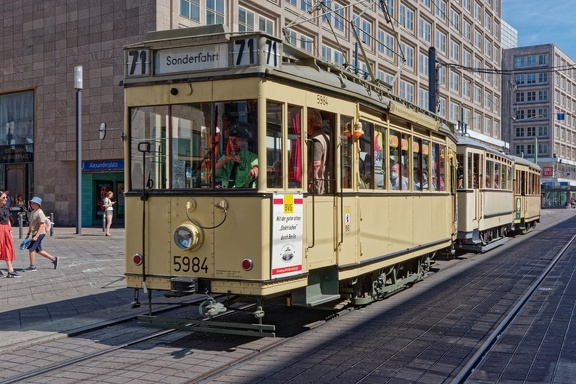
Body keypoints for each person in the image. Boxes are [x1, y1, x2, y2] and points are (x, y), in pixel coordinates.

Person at [215, 123, 258, 188]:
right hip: (226, 194)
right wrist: (224, 160)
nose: (232, 143)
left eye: (236, 140)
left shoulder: (252, 158)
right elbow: (214, 173)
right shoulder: (226, 157)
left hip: (244, 196)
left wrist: (255, 169)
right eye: (230, 139)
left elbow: (257, 167)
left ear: (244, 141)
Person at [23, 196, 58, 271]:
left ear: (38, 204)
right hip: (35, 233)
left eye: (34, 203)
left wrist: (36, 236)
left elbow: (42, 225)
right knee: (38, 250)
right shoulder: (33, 212)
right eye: (31, 203)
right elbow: (31, 223)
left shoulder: (40, 213)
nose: (32, 204)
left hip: (40, 233)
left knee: (31, 248)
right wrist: (28, 233)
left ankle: (32, 266)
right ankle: (54, 259)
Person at [307, 109, 330, 194]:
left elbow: (316, 164)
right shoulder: (327, 137)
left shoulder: (316, 140)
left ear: (309, 122)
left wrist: (309, 181)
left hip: (317, 184)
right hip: (325, 181)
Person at [0, 191, 20, 278]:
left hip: (6, 229)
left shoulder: (6, 208)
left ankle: (10, 270)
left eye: (6, 197)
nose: (5, 199)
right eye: (3, 197)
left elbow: (8, 220)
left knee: (8, 248)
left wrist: (10, 231)